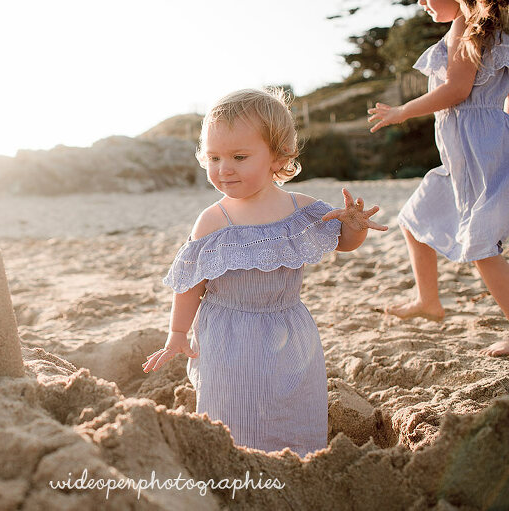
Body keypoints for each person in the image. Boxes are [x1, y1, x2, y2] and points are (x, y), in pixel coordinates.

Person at [141, 88, 387, 457]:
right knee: (230, 407)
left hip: (288, 324)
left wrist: (355, 226)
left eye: (239, 157)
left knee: (292, 401)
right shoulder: (213, 220)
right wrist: (177, 332)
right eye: (214, 157)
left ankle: (296, 461)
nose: (224, 168)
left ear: (278, 156)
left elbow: (343, 243)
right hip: (228, 331)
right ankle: (235, 463)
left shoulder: (300, 208)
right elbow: (192, 283)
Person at [368, 0, 509, 357]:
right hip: (460, 160)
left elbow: (457, 90)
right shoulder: (472, 26)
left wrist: (403, 111)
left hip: (480, 157)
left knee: (480, 244)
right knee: (414, 218)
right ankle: (427, 300)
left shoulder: (468, 25)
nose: (421, 3)